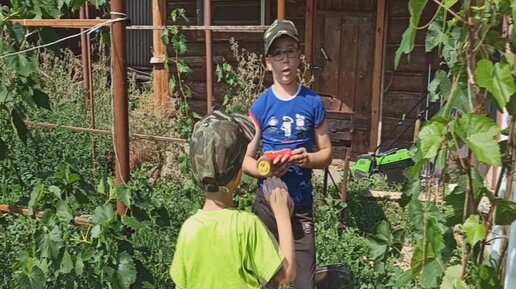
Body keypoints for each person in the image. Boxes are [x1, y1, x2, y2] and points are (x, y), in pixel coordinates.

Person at [242, 19, 333, 289]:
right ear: (268, 62)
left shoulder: (313, 102)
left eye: (291, 51)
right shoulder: (262, 105)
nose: (285, 60)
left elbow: (327, 153)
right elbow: (246, 160)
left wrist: (309, 159)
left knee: (304, 283)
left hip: (301, 206)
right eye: (278, 53)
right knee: (268, 280)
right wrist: (265, 168)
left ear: (299, 56)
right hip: (268, 207)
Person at [169, 110, 296, 289]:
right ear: (238, 176)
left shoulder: (189, 229)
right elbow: (285, 276)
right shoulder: (247, 226)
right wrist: (282, 214)